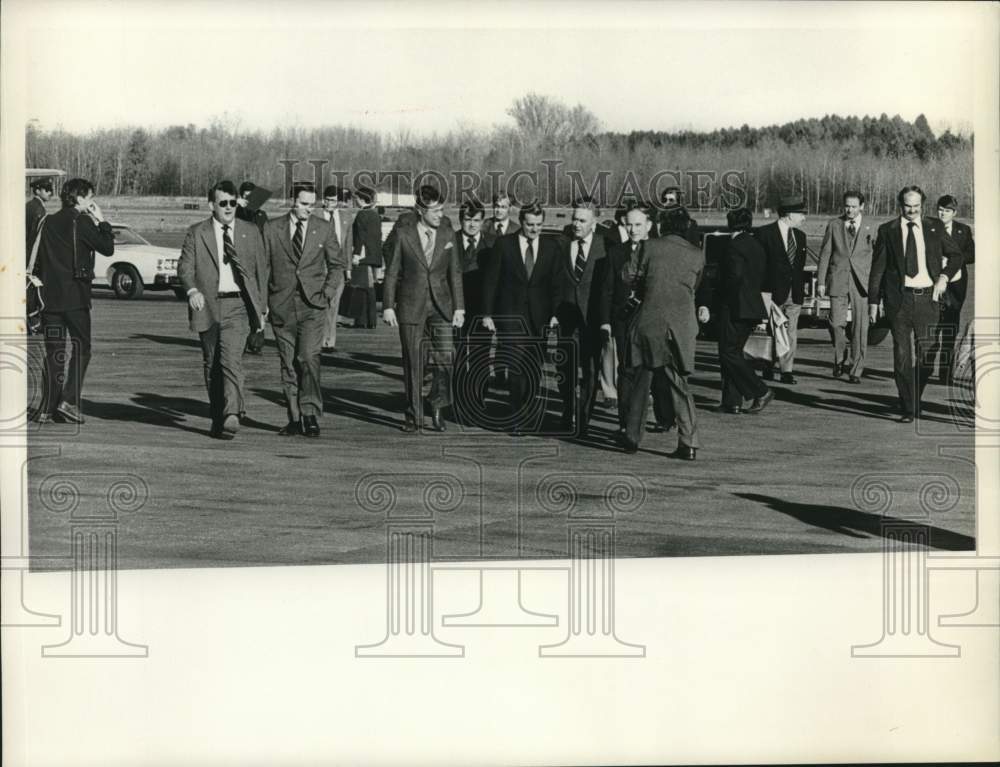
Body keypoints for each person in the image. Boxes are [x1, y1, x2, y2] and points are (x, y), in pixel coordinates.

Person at [604, 207, 705, 459]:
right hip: (681, 329)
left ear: (661, 225)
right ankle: (689, 442)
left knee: (640, 380)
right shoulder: (697, 255)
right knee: (679, 385)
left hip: (649, 325)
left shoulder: (649, 247)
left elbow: (627, 275)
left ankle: (632, 435)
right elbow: (695, 286)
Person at [178, 180, 268, 439]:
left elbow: (261, 269)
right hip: (207, 304)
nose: (229, 208)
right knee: (211, 363)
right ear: (211, 205)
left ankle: (231, 413)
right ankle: (219, 415)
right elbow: (185, 267)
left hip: (238, 304)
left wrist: (262, 307)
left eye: (233, 202)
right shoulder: (197, 232)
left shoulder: (249, 231)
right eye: (223, 203)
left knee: (231, 360)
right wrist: (192, 290)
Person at [868, 185, 964, 423]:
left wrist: (943, 277)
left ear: (922, 205)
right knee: (901, 354)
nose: (912, 211)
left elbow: (957, 256)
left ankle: (913, 399)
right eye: (907, 206)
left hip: (928, 300)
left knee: (927, 357)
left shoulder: (935, 227)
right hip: (898, 301)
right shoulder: (887, 230)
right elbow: (877, 269)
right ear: (900, 205)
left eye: (916, 207)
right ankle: (909, 408)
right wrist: (873, 301)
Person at [262, 181, 346, 438]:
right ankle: (294, 418)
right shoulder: (271, 228)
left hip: (313, 306)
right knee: (288, 364)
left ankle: (310, 413)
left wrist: (328, 294)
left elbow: (337, 265)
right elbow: (262, 268)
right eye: (304, 204)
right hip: (281, 306)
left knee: (308, 358)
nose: (309, 209)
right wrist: (263, 304)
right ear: (292, 201)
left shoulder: (323, 228)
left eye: (312, 204)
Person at [30, 177, 115, 424]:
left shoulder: (47, 221)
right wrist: (102, 221)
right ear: (78, 198)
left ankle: (47, 407)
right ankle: (68, 400)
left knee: (54, 352)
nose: (92, 201)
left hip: (49, 300)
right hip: (76, 299)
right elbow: (107, 248)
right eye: (89, 197)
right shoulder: (83, 221)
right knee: (82, 348)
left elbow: (35, 258)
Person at [382, 185, 465, 433]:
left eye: (442, 209)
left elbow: (455, 273)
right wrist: (387, 306)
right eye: (435, 210)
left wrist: (459, 307)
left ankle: (438, 404)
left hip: (442, 305)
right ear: (420, 211)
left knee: (447, 356)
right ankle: (414, 414)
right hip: (410, 304)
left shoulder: (448, 234)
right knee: (413, 360)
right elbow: (392, 272)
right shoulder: (403, 234)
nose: (440, 214)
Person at [481, 200, 558, 435]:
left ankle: (528, 410)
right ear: (521, 222)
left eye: (538, 225)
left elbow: (556, 284)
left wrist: (555, 313)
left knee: (533, 368)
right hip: (510, 316)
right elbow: (491, 281)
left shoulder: (551, 247)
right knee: (515, 366)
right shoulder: (505, 245)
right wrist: (487, 313)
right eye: (530, 224)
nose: (534, 229)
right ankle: (516, 416)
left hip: (539, 317)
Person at [549, 196, 610, 437]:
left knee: (591, 370)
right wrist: (553, 313)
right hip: (566, 318)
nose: (577, 224)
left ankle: (584, 417)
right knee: (565, 368)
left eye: (583, 220)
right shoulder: (560, 244)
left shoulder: (605, 247)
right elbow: (553, 282)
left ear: (594, 222)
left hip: (592, 319)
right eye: (574, 219)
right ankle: (568, 409)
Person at [714, 207, 774, 415]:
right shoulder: (756, 245)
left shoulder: (733, 246)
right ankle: (732, 401)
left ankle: (760, 390)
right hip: (752, 306)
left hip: (734, 306)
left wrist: (720, 296)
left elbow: (733, 277)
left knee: (727, 353)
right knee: (734, 353)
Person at [817, 191, 875, 383]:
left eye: (854, 206)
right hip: (838, 279)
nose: (849, 210)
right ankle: (840, 358)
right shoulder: (834, 225)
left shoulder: (872, 227)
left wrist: (876, 286)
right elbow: (825, 254)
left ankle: (856, 369)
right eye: (847, 206)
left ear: (862, 207)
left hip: (862, 283)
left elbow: (877, 258)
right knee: (835, 323)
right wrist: (821, 282)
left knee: (860, 327)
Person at [755, 195, 808, 384]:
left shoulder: (801, 237)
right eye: (801, 213)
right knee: (771, 330)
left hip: (794, 293)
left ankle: (787, 370)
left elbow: (799, 267)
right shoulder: (765, 234)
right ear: (788, 214)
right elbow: (759, 266)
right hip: (771, 292)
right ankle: (767, 365)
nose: (804, 218)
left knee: (791, 332)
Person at [452, 200, 494, 422]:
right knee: (458, 355)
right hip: (455, 309)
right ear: (461, 220)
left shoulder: (492, 244)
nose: (472, 225)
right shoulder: (450, 242)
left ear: (483, 221)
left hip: (482, 310)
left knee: (481, 356)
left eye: (476, 220)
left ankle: (478, 401)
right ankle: (459, 402)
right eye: (467, 220)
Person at [931, 194, 975, 384]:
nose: (943, 213)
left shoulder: (963, 230)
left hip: (956, 284)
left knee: (951, 327)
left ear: (954, 213)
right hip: (932, 281)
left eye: (947, 210)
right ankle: (925, 367)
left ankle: (945, 374)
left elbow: (972, 255)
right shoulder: (929, 227)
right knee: (933, 325)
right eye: (940, 209)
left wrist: (953, 260)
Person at [319, 185, 354, 350]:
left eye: (333, 200)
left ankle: (329, 340)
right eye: (327, 200)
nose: (329, 203)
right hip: (318, 266)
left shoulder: (346, 217)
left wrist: (348, 269)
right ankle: (317, 338)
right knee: (320, 303)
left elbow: (348, 244)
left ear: (339, 201)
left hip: (338, 267)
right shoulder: (315, 214)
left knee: (334, 304)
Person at [348, 186, 383, 329]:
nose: (355, 200)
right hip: (373, 255)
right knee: (369, 287)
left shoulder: (362, 215)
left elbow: (360, 237)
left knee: (364, 288)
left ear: (362, 200)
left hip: (363, 256)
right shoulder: (375, 214)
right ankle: (369, 320)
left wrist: (356, 255)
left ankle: (364, 320)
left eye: (357, 198)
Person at [26, 177, 53, 260]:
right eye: (47, 190)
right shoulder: (39, 209)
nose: (50, 193)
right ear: (37, 191)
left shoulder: (29, 204)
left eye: (51, 190)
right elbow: (34, 235)